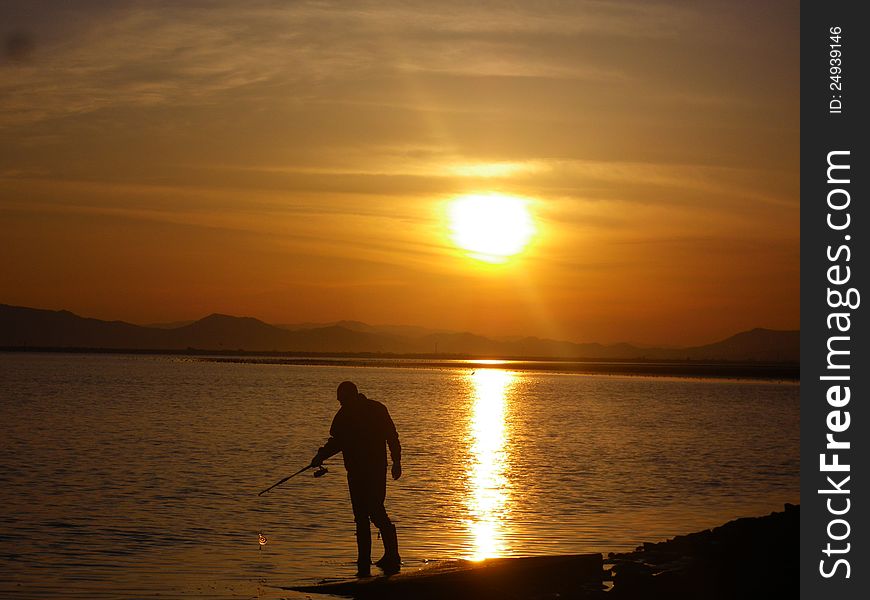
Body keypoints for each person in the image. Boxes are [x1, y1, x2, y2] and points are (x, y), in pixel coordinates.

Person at [310, 381, 402, 576]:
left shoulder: (377, 409)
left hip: (375, 470)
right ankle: (363, 561)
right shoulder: (344, 415)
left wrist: (396, 461)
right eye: (340, 401)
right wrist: (321, 456)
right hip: (355, 472)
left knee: (376, 512)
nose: (341, 404)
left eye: (342, 400)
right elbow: (337, 442)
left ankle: (392, 555)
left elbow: (391, 436)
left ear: (352, 396)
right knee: (360, 517)